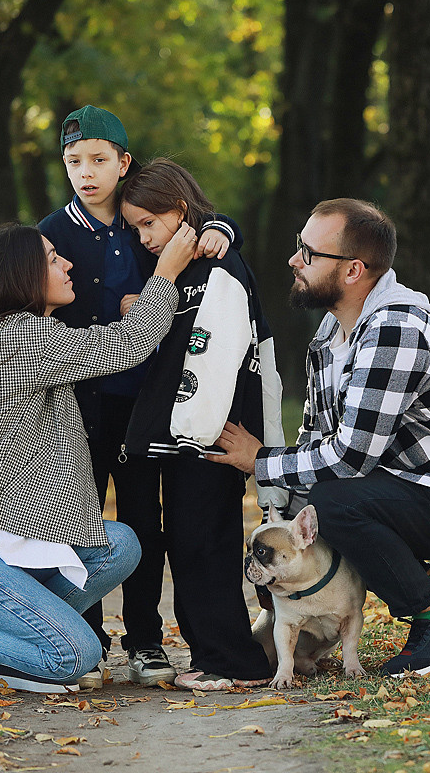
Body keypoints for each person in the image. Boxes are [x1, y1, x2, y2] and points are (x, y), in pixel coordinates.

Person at [211, 198, 430, 678]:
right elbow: (317, 436)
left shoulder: (395, 329)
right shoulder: (330, 335)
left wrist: (260, 460)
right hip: (425, 486)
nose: (293, 260)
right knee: (326, 501)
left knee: (338, 502)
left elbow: (349, 457)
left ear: (353, 270)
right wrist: (279, 513)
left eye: (308, 252)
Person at [0, 221, 199, 692]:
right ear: (20, 275)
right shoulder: (15, 337)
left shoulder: (26, 335)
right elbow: (125, 345)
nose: (67, 263)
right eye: (53, 258)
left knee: (119, 544)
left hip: (2, 541)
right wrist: (166, 273)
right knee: (77, 654)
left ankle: (9, 654)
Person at [38, 105, 236, 688]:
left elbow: (208, 220)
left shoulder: (141, 219)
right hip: (80, 403)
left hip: (150, 401)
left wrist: (222, 230)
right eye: (74, 161)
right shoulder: (51, 233)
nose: (86, 172)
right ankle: (89, 637)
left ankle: (146, 639)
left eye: (99, 159)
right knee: (78, 520)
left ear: (124, 164)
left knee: (143, 520)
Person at [119, 159, 287, 691]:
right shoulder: (179, 272)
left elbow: (221, 354)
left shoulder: (219, 265)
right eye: (136, 228)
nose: (144, 237)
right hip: (184, 433)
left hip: (208, 433)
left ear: (181, 211)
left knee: (205, 542)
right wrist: (142, 307)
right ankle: (212, 654)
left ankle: (234, 661)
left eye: (149, 223)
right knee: (190, 541)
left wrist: (207, 424)